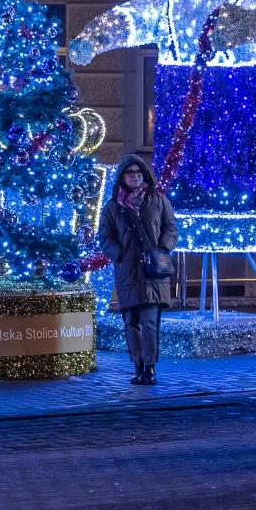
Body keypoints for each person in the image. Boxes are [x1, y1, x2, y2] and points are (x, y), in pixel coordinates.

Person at [99, 154, 176, 385]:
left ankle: (150, 367)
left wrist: (162, 249)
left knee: (150, 322)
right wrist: (119, 254)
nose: (135, 176)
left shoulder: (159, 201)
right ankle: (138, 365)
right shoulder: (113, 206)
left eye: (139, 172)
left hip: (153, 272)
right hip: (128, 271)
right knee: (131, 322)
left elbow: (171, 228)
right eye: (130, 172)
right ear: (122, 176)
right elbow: (105, 236)